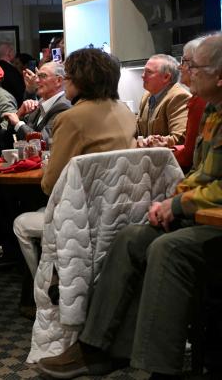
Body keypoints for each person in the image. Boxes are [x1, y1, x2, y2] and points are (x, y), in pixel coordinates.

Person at [37, 32, 222, 380]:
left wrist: (179, 202)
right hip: (208, 216)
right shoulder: (212, 109)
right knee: (131, 237)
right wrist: (173, 197)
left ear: (219, 75)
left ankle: (156, 368)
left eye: (192, 66)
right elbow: (204, 174)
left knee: (167, 248)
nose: (186, 71)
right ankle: (97, 348)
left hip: (215, 223)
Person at [13, 48, 136, 278]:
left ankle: (40, 292)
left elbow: (50, 185)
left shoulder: (71, 118)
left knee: (20, 222)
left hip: (85, 216)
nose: (65, 82)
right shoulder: (125, 111)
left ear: (81, 80)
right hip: (123, 210)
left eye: (67, 76)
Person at [2, 61, 69, 146]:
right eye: (37, 76)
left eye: (42, 76)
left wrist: (18, 123)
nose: (36, 80)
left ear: (58, 81)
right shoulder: (39, 103)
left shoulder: (63, 106)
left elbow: (43, 142)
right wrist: (19, 115)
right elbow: (10, 139)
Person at [136, 54, 190, 147]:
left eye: (148, 72)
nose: (142, 76)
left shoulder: (179, 97)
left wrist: (152, 142)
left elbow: (179, 138)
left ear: (166, 77)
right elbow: (137, 130)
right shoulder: (147, 96)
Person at [173, 37, 208, 170]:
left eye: (184, 61)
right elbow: (195, 146)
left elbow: (189, 157)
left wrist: (162, 154)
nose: (179, 66)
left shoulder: (201, 100)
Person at [0, 41, 26, 106]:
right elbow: (20, 91)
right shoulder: (10, 70)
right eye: (13, 51)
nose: (15, 54)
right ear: (9, 53)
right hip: (14, 105)